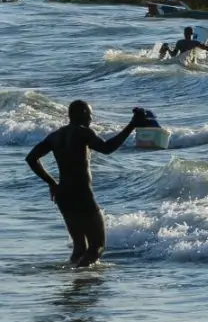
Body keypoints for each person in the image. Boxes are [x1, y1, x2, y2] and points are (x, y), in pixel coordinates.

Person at [26, 101, 143, 266]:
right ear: (81, 113)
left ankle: (75, 281)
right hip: (82, 195)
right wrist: (132, 125)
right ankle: (78, 275)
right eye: (89, 114)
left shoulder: (55, 135)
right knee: (97, 247)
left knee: (80, 248)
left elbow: (31, 158)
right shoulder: (83, 133)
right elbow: (107, 148)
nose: (91, 119)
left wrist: (52, 183)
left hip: (63, 196)